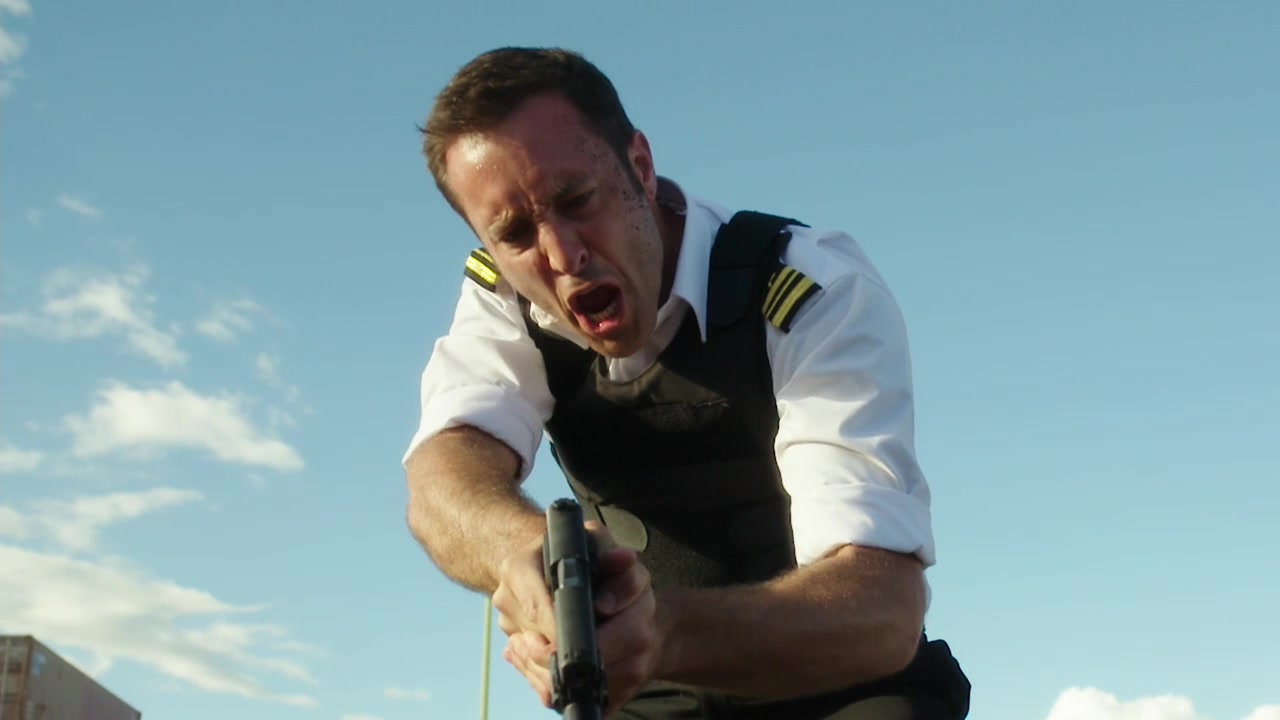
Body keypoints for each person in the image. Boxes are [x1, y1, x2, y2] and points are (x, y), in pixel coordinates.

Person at [402, 46, 971, 719]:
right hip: (640, 693)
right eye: (516, 234)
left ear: (641, 167)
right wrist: (525, 558)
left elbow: (882, 612)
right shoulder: (507, 301)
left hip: (845, 688)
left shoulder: (812, 289)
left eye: (577, 200)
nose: (562, 255)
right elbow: (441, 480)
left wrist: (661, 632)